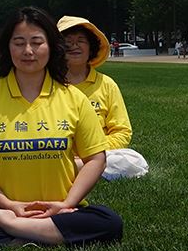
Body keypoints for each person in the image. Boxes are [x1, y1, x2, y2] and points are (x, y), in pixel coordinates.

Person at [0, 6, 122, 248]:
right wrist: (7, 205)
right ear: (7, 47)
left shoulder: (74, 98)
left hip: (61, 210)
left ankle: (10, 229)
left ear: (51, 46)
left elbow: (96, 159)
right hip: (8, 207)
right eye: (19, 43)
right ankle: (40, 232)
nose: (28, 51)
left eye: (36, 42)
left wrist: (67, 204)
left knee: (110, 222)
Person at [58, 15, 148, 180]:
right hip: (58, 153)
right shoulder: (48, 84)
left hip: (100, 152)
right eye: (68, 42)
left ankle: (75, 168)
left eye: (81, 41)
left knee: (133, 161)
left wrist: (93, 150)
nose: (74, 46)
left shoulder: (106, 84)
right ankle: (80, 168)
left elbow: (122, 131)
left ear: (91, 47)